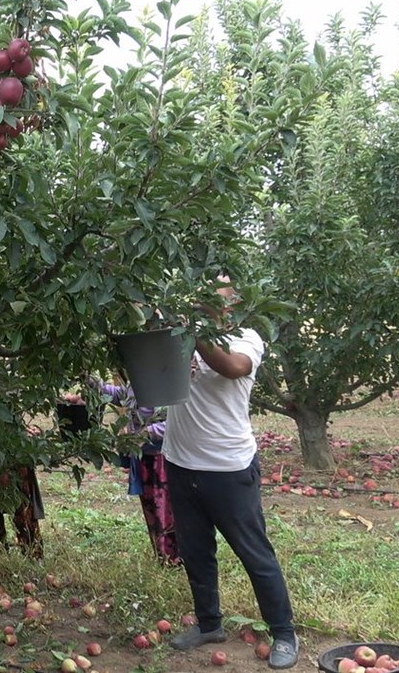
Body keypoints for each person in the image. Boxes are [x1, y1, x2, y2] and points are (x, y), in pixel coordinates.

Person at [162, 279, 299, 669]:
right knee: (195, 550)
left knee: (254, 552)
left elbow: (233, 369)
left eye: (215, 290)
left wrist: (194, 334)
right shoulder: (181, 334)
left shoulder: (247, 338)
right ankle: (209, 624)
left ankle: (284, 633)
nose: (204, 295)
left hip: (228, 467)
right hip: (180, 461)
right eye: (200, 288)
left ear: (234, 300)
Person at [98, 379, 180, 565]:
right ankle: (164, 556)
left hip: (162, 459)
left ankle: (174, 558)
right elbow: (122, 395)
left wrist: (145, 433)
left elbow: (177, 422)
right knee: (153, 509)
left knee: (165, 510)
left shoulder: (163, 381)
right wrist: (94, 383)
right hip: (144, 456)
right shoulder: (138, 377)